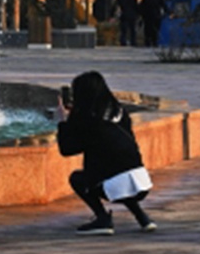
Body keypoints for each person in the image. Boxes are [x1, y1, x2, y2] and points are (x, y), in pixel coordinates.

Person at [56, 71, 156, 235]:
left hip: (115, 185)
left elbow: (66, 149)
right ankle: (142, 217)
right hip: (141, 182)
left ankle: (102, 218)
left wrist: (62, 122)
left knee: (78, 179)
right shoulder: (120, 112)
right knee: (118, 173)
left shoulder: (86, 119)